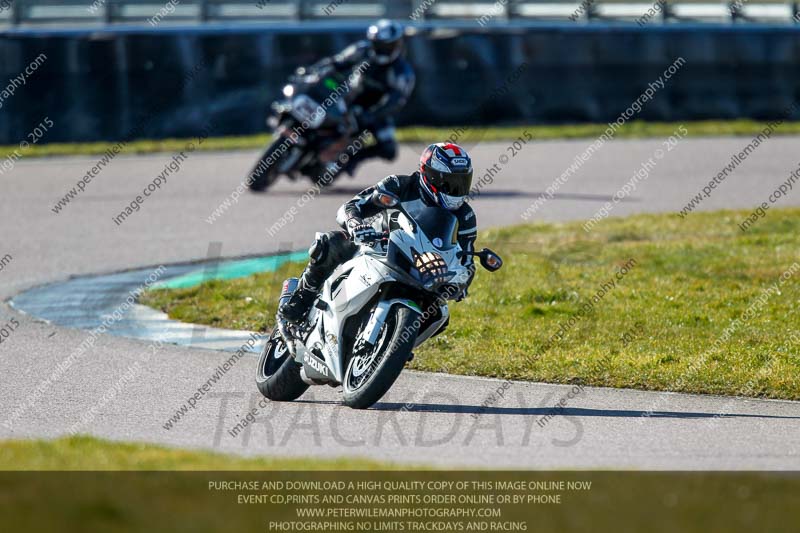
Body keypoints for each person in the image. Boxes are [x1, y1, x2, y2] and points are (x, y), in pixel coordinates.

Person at [278, 142, 478, 326]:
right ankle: (302, 298)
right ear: (428, 174)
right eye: (449, 183)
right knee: (332, 242)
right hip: (377, 246)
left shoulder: (465, 215)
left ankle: (394, 343)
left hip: (424, 269)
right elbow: (352, 206)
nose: (456, 190)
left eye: (461, 182)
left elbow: (466, 259)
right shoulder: (399, 185)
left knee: (439, 315)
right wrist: (356, 224)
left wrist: (459, 283)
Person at [303, 19, 415, 176]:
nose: (383, 50)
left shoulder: (402, 72)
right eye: (379, 45)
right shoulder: (361, 50)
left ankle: (350, 160)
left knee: (389, 149)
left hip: (375, 110)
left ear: (398, 45)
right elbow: (337, 62)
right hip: (348, 97)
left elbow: (395, 101)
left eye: (388, 46)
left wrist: (372, 115)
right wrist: (315, 70)